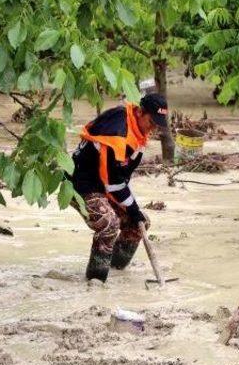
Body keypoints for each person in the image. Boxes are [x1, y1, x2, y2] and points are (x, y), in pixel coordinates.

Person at [70, 93, 168, 282]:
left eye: (158, 123)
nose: (154, 128)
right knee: (109, 224)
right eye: (152, 121)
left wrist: (134, 211)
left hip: (103, 186)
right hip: (81, 185)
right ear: (140, 112)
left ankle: (115, 271)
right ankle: (96, 281)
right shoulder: (117, 133)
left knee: (140, 224)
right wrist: (133, 208)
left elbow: (121, 179)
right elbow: (113, 183)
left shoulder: (136, 130)